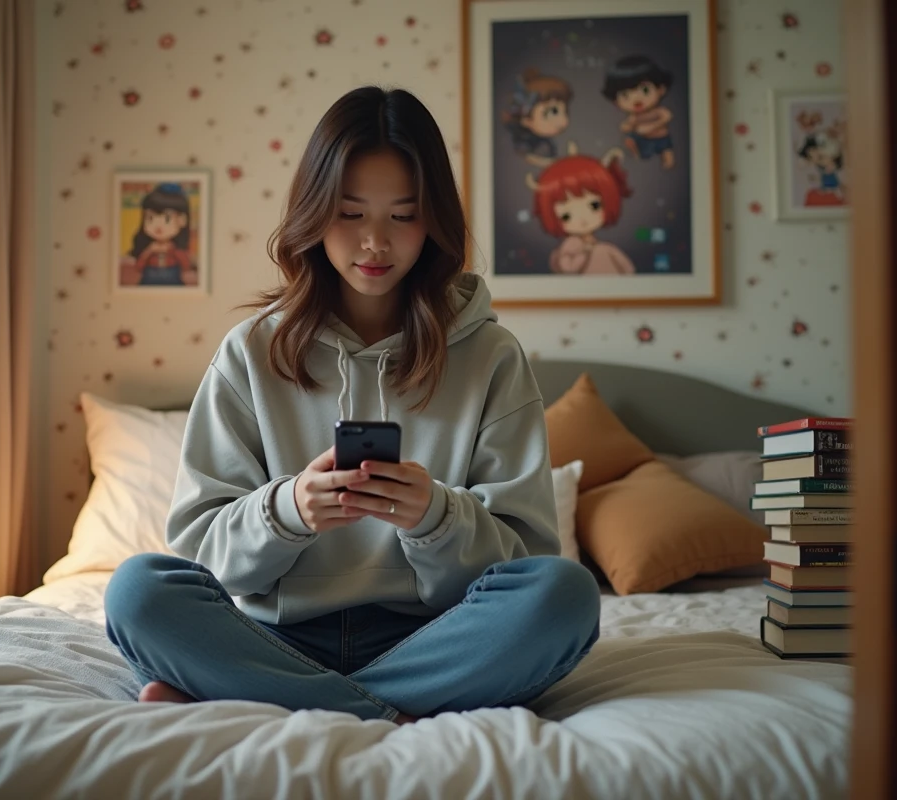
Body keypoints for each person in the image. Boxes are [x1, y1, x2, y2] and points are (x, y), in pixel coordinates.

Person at [103, 86, 601, 724]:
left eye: (402, 215)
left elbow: (530, 560)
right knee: (138, 590)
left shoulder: (493, 357)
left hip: (434, 637)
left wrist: (437, 517)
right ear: (314, 213)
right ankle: (385, 706)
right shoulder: (250, 353)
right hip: (271, 635)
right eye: (349, 213)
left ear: (434, 220)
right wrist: (288, 510)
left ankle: (251, 694)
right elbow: (200, 549)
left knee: (565, 595)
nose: (374, 243)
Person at [528, 146, 636, 275]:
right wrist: (585, 253)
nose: (582, 219)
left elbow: (627, 269)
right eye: (566, 215)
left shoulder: (602, 248)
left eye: (594, 206)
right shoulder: (572, 245)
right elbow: (568, 267)